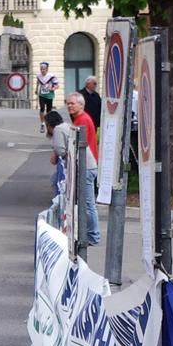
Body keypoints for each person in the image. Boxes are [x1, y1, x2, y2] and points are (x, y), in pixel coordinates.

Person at [66, 92, 100, 246]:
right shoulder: (80, 119)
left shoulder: (83, 120)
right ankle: (89, 234)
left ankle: (93, 236)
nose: (69, 105)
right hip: (87, 165)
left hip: (88, 165)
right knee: (86, 203)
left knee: (88, 204)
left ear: (81, 104)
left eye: (72, 103)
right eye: (68, 103)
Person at [35, 61, 59, 133]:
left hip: (49, 95)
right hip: (42, 94)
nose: (42, 71)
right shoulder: (39, 76)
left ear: (47, 69)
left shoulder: (51, 76)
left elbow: (57, 85)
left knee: (49, 111)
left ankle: (48, 124)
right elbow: (38, 82)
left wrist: (52, 89)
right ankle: (42, 124)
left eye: (44, 69)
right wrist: (36, 89)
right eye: (41, 69)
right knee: (42, 108)